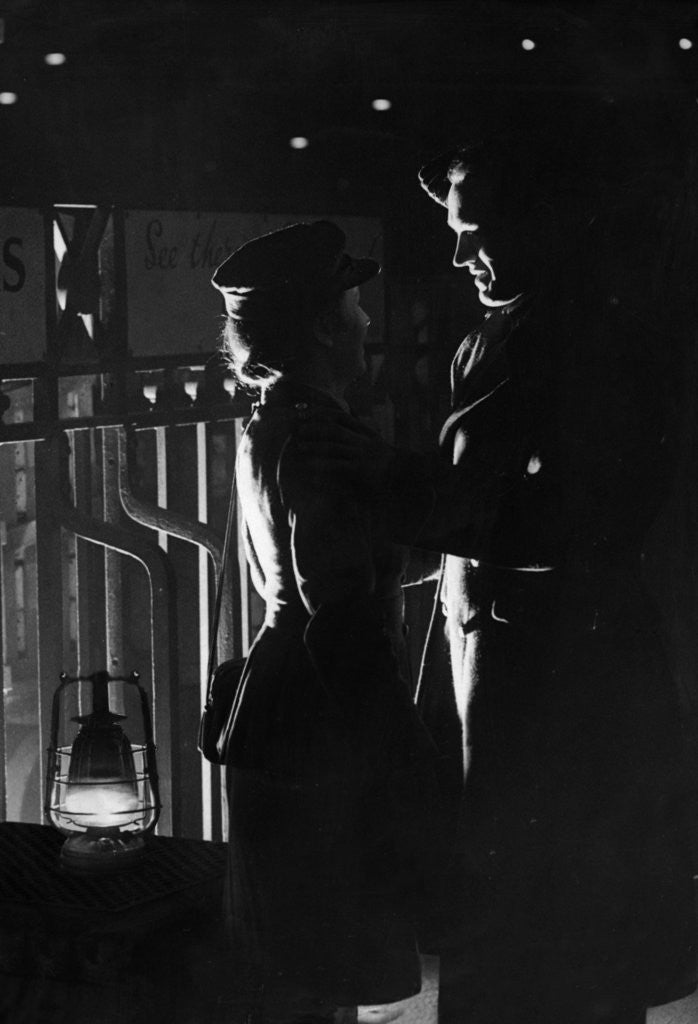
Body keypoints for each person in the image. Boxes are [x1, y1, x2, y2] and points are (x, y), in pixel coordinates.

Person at [299, 125, 698, 1023]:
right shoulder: (511, 330)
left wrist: (380, 483)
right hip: (516, 655)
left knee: (552, 925)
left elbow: (553, 511)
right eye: (451, 229)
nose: (457, 250)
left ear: (543, 220)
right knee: (526, 914)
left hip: (560, 669)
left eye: (474, 229)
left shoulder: (589, 338)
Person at [210, 221, 441, 1024]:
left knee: (299, 974)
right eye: (353, 307)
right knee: (321, 978)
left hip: (282, 718)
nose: (367, 324)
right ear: (319, 326)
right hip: (323, 732)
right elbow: (338, 617)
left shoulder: (273, 422)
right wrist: (407, 758)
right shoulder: (322, 438)